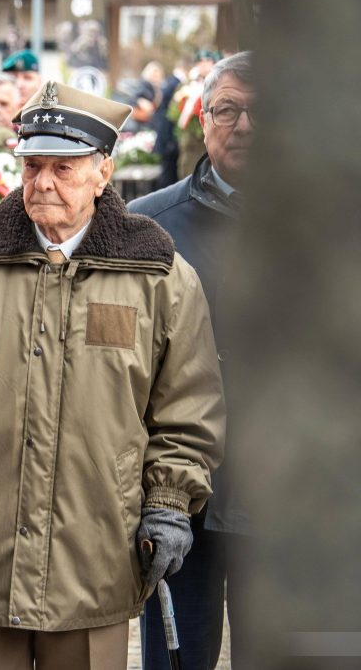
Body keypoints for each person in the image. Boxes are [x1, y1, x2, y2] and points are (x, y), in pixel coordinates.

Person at [0, 81, 225, 670]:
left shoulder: (158, 275)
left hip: (99, 558)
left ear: (103, 171)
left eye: (64, 167)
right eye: (33, 165)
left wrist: (169, 500)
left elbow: (187, 407)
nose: (43, 183)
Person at [127, 51, 254, 670]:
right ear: (202, 120)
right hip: (178, 499)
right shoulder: (149, 226)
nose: (246, 127)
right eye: (228, 109)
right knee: (178, 660)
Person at [170, 49, 220, 179]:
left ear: (213, 63)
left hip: (211, 141)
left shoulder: (219, 84)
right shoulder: (186, 84)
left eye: (207, 61)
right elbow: (174, 109)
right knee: (187, 175)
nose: (203, 65)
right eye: (200, 61)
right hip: (189, 142)